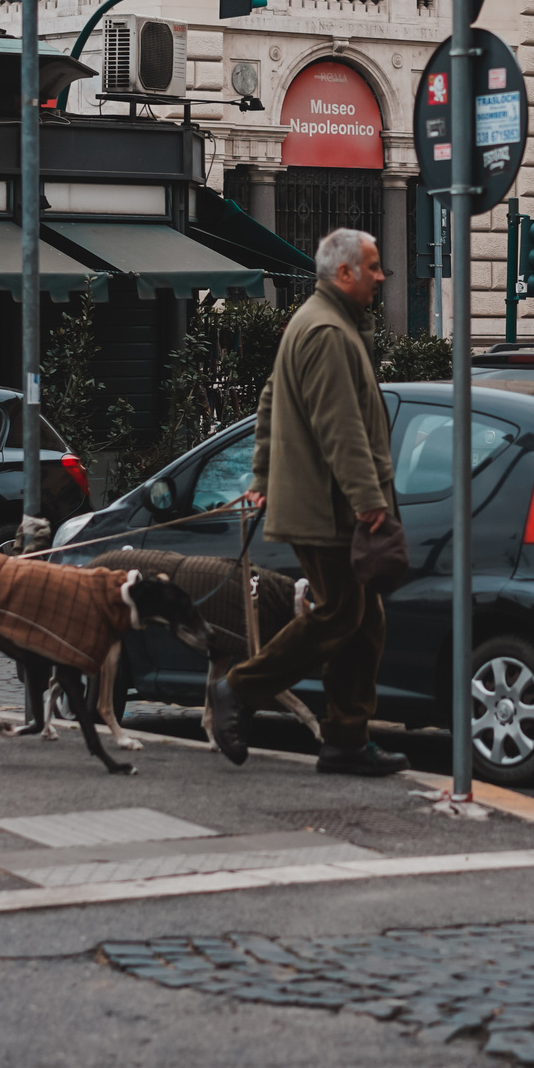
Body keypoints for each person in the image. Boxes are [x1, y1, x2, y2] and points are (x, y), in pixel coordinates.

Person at [205, 227, 406, 776]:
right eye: (373, 266)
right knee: (341, 612)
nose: (381, 276)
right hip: (327, 505)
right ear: (344, 273)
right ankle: (240, 689)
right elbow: (341, 427)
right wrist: (368, 500)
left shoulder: (319, 322)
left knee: (363, 621)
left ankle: (345, 740)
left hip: (324, 500)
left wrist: (264, 472)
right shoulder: (327, 331)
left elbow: (272, 396)